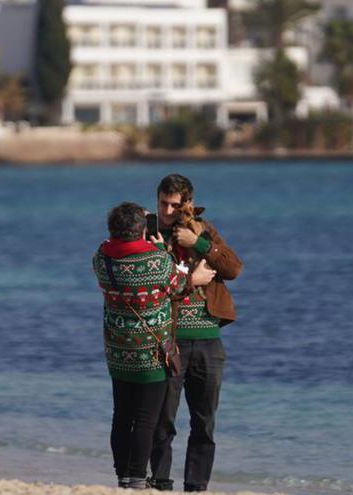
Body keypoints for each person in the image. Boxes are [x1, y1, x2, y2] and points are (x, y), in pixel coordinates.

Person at [93, 201, 214, 490]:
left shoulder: (102, 258)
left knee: (121, 414)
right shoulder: (157, 261)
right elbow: (177, 285)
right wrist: (160, 249)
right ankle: (136, 476)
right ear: (141, 229)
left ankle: (122, 473)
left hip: (118, 351)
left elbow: (112, 251)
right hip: (151, 351)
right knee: (146, 417)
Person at [148, 174, 243, 492]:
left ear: (188, 204)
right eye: (164, 203)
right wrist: (191, 278)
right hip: (168, 339)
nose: (169, 211)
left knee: (204, 423)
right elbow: (148, 287)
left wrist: (197, 243)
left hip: (208, 341)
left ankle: (196, 486)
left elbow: (232, 268)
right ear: (157, 200)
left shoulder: (204, 229)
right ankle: (161, 483)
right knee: (163, 422)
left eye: (177, 205)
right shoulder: (148, 234)